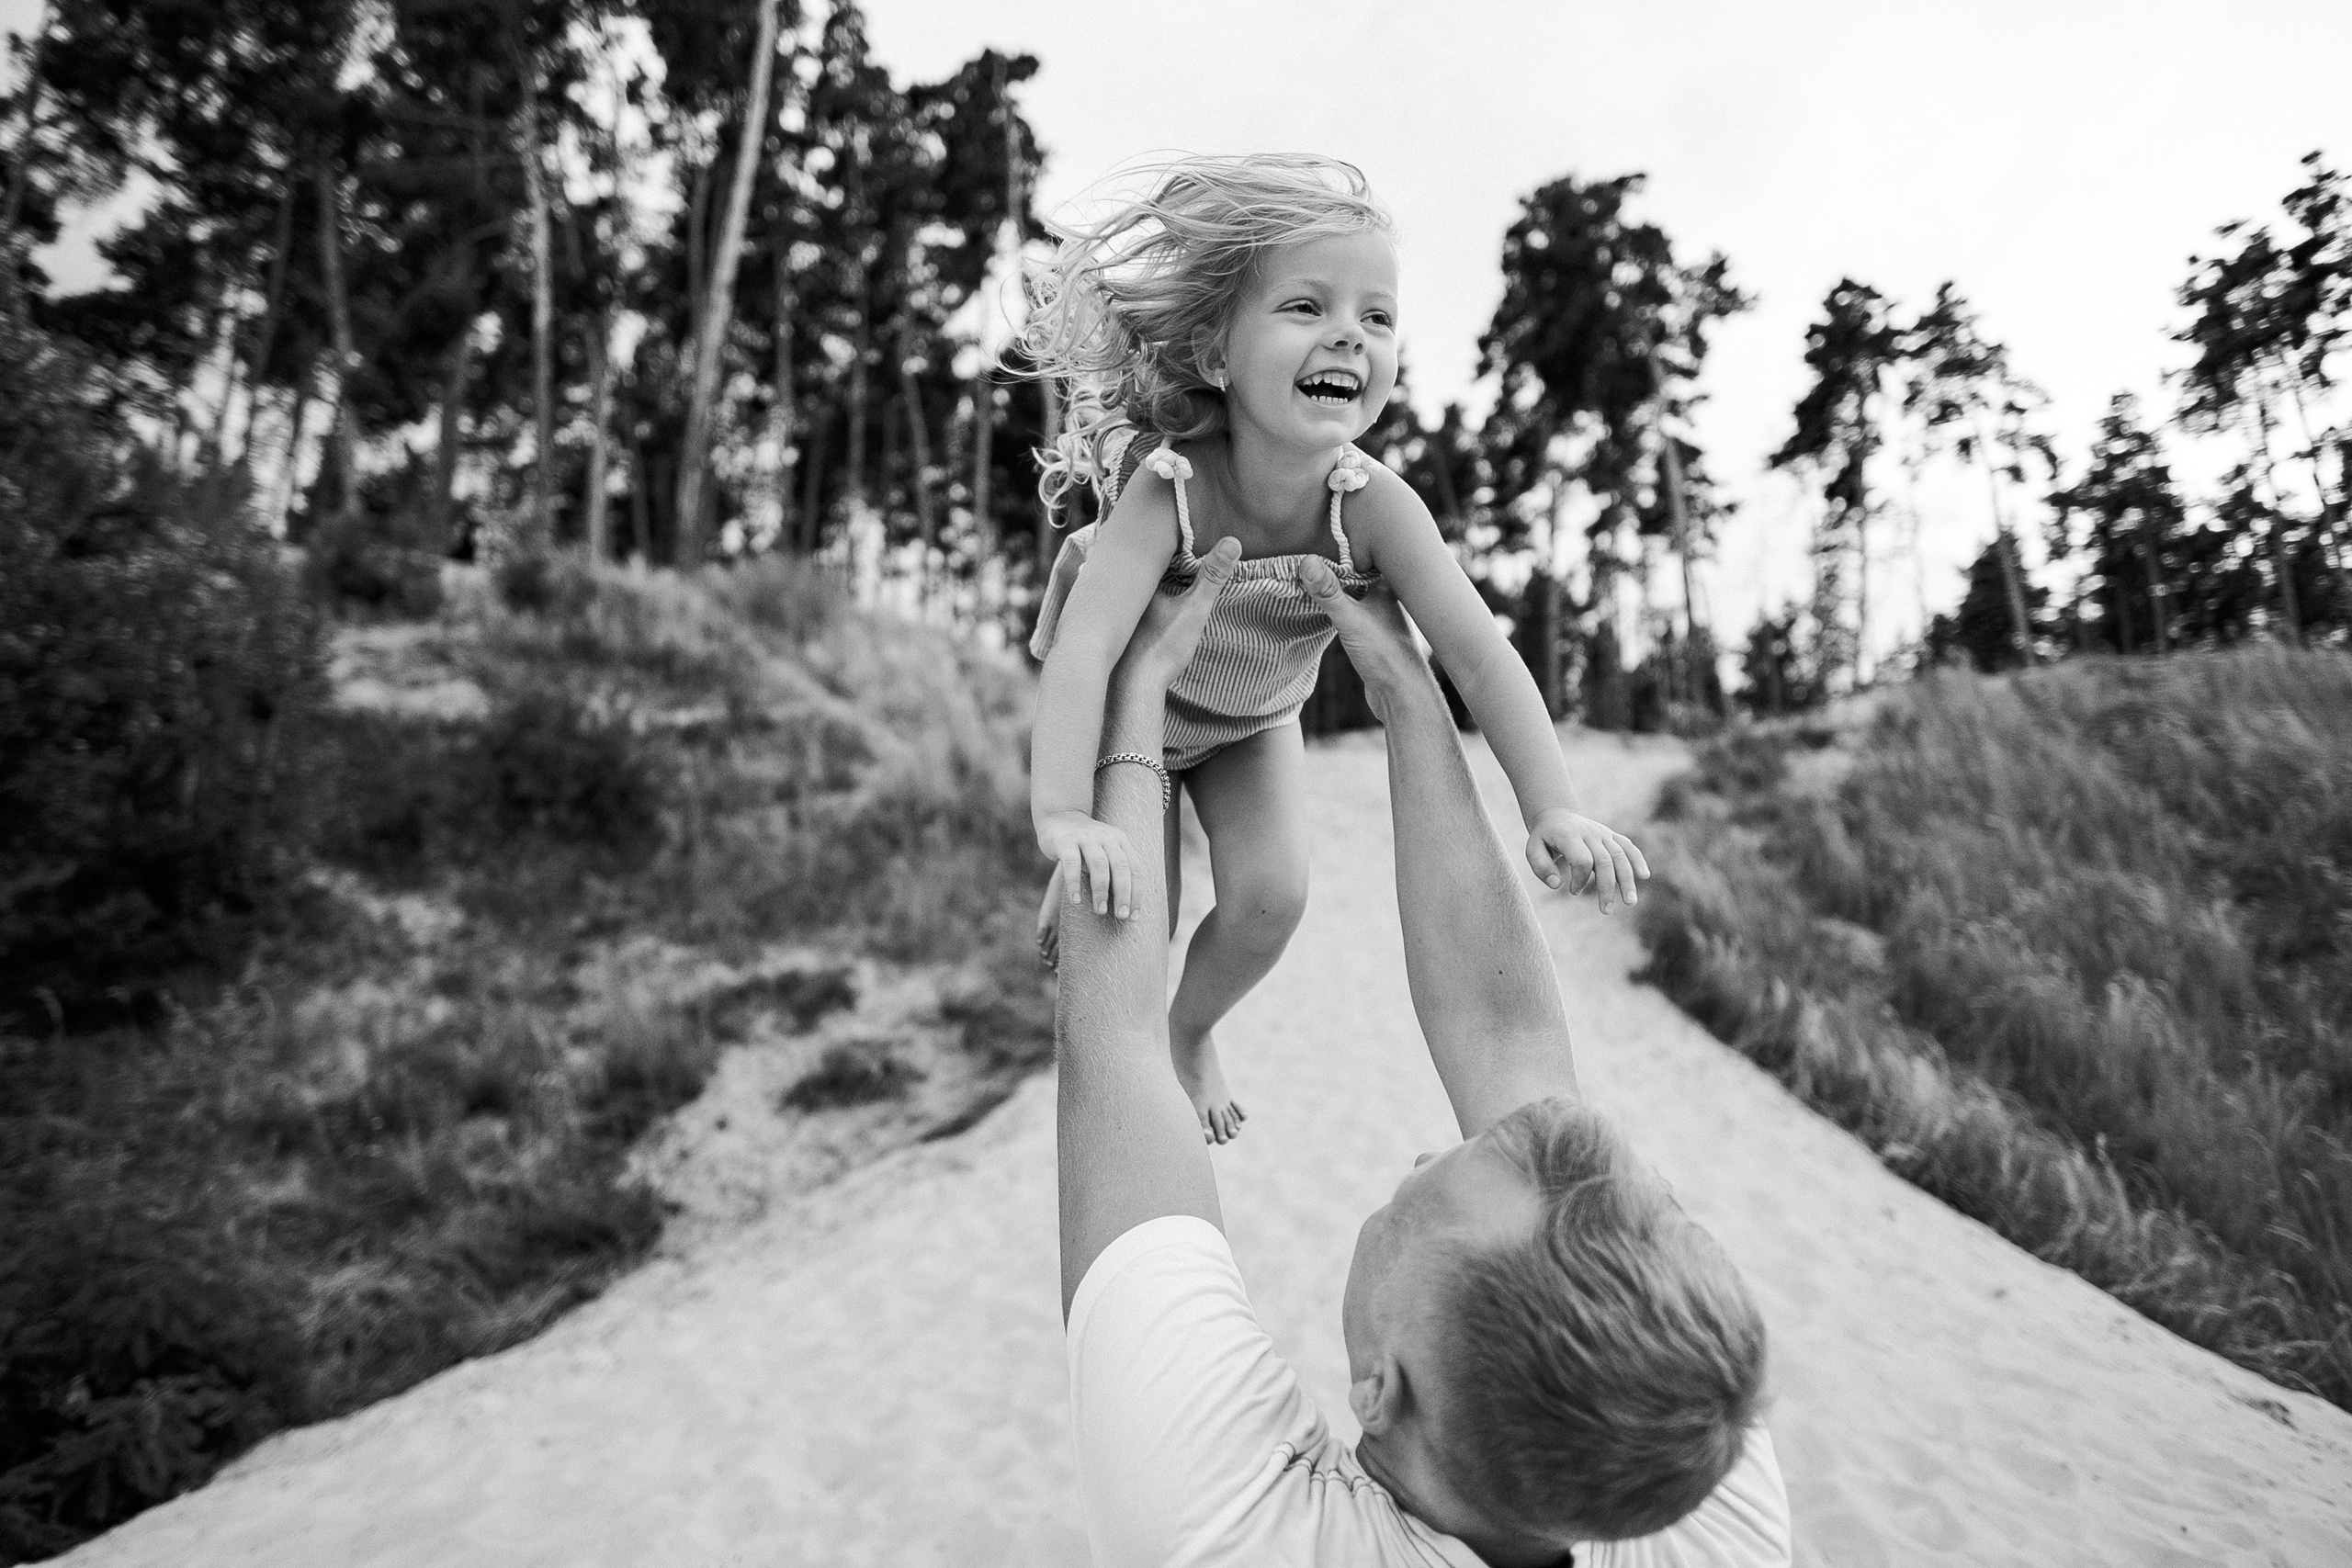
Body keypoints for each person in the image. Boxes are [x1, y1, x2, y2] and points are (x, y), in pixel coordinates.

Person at [1053, 549, 1790, 1567]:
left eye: (1416, 1201)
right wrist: (1401, 676)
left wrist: (1134, 687)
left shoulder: (1221, 1530)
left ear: (1379, 1384)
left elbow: (1118, 1047)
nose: (1417, 1161)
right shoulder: (1684, 1457)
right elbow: (1510, 1044)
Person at [1023, 154, 1647, 1145]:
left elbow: (1481, 659)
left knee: (1274, 899)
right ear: (1218, 354)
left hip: (1247, 722)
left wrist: (1552, 805)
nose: (1349, 335)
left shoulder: (1375, 505)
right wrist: (1064, 813)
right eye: (1306, 306)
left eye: (1378, 316)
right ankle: (1117, 958)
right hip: (1125, 718)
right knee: (1132, 911)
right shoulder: (1171, 487)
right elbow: (1088, 649)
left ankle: (1194, 1030)